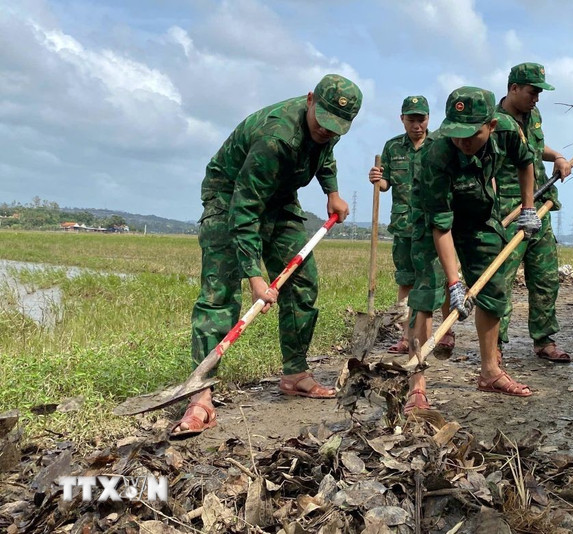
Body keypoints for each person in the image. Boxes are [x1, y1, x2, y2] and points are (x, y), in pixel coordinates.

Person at [171, 74, 362, 438]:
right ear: (310, 100)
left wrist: (332, 193)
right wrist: (256, 278)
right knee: (220, 293)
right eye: (322, 121)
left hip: (280, 196)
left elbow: (325, 153)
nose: (327, 130)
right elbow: (244, 210)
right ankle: (200, 394)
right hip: (230, 197)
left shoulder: (329, 128)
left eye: (336, 126)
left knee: (302, 282)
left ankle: (295, 373)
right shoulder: (274, 139)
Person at [405, 86, 540, 413]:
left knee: (493, 289)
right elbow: (441, 226)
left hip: (479, 214)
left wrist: (528, 207)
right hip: (433, 220)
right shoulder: (435, 153)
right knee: (425, 295)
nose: (463, 141)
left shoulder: (508, 131)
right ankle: (417, 386)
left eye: (472, 134)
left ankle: (490, 371)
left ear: (491, 125)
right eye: (456, 133)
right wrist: (454, 282)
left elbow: (526, 163)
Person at [495, 62, 572, 363]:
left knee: (545, 278)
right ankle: (495, 347)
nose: (536, 98)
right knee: (500, 280)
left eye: (539, 93)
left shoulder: (533, 115)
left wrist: (559, 157)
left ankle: (544, 341)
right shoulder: (495, 122)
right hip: (510, 211)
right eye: (532, 92)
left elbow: (535, 149)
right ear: (513, 89)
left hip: (541, 207)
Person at [367, 96, 455, 356]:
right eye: (411, 119)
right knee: (406, 279)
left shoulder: (440, 144)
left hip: (434, 226)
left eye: (422, 119)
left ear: (429, 118)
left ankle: (446, 332)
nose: (417, 125)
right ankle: (407, 336)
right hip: (405, 225)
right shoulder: (393, 147)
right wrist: (377, 179)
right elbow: (386, 185)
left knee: (440, 279)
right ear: (402, 119)